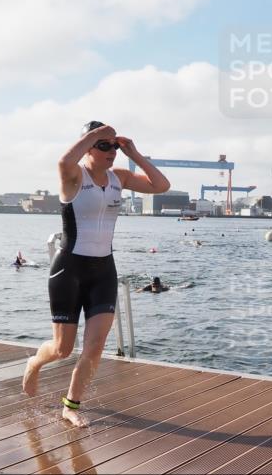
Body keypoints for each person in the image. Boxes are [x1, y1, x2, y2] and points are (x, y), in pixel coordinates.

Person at [21, 121, 171, 427]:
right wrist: (96, 134)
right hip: (69, 270)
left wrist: (134, 153)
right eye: (104, 145)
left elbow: (161, 186)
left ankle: (71, 405)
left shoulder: (120, 178)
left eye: (113, 146)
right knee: (62, 349)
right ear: (88, 146)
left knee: (95, 347)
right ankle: (35, 362)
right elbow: (64, 160)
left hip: (103, 271)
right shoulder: (74, 175)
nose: (111, 151)